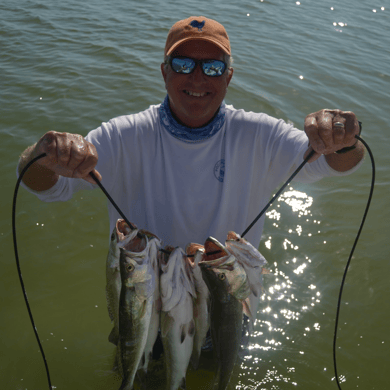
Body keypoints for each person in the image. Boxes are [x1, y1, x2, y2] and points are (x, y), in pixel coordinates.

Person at [18, 16, 364, 250]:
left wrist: (343, 139)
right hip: (146, 307)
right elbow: (49, 188)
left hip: (228, 305)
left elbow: (331, 164)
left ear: (228, 77)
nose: (197, 78)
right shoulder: (123, 135)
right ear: (164, 73)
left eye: (213, 67)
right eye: (183, 64)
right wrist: (43, 155)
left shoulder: (260, 134)